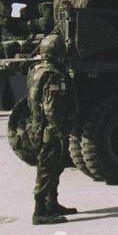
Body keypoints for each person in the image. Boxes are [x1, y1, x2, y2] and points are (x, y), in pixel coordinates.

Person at [27, 33, 78, 225]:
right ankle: (39, 211)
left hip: (42, 127)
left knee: (54, 166)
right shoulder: (52, 74)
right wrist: (59, 130)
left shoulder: (36, 70)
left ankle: (52, 203)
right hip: (50, 130)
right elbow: (51, 106)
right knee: (47, 168)